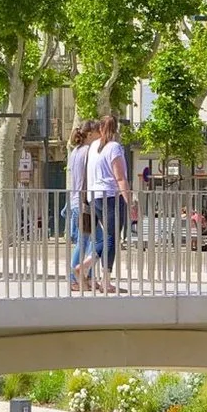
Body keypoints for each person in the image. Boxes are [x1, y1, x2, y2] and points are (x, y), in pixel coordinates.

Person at [90, 116, 132, 284]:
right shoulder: (114, 147)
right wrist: (129, 201)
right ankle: (105, 279)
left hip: (95, 195)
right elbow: (120, 177)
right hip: (111, 195)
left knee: (107, 237)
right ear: (116, 129)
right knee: (112, 237)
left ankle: (87, 265)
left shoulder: (93, 146)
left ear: (100, 128)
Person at [66, 121, 98, 291]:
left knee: (88, 239)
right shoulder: (88, 151)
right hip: (85, 200)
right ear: (90, 134)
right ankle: (76, 277)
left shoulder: (75, 152)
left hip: (76, 200)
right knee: (89, 240)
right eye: (98, 132)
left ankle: (86, 277)